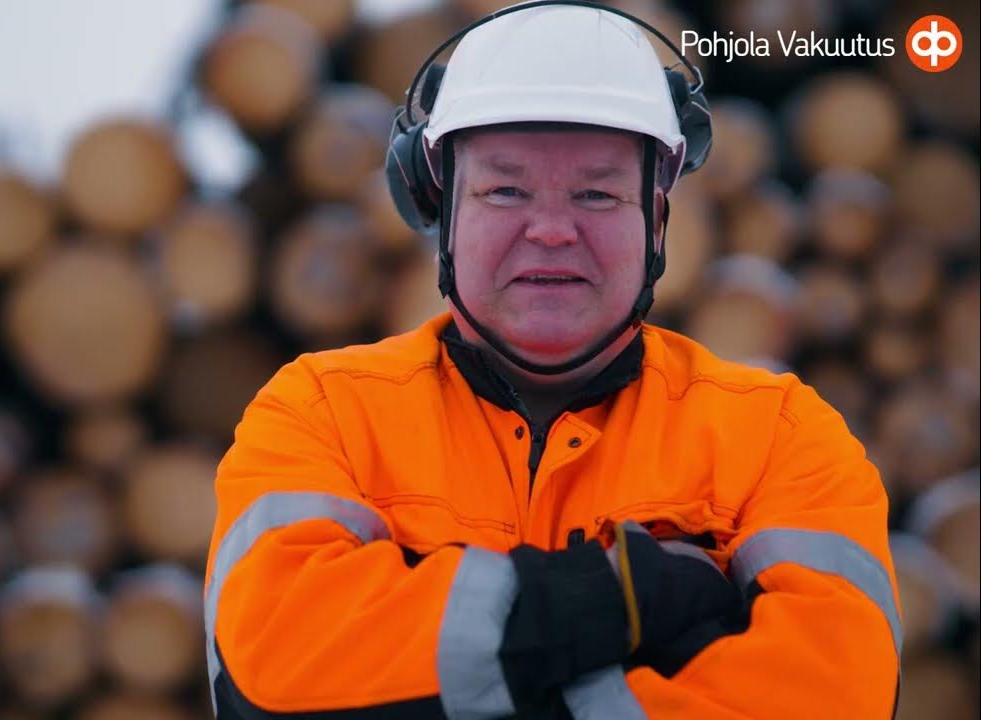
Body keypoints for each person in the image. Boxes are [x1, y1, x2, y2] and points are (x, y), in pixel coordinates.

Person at [204, 3, 901, 718]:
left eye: (596, 194)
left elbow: (836, 690)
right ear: (441, 213)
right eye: (506, 189)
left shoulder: (778, 437)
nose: (551, 231)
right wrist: (621, 601)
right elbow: (276, 660)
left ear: (655, 222)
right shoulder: (324, 412)